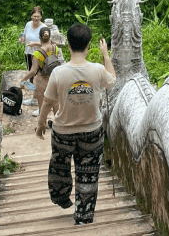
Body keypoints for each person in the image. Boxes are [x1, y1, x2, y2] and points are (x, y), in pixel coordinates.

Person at [36, 23, 115, 226]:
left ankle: (61, 196)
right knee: (88, 174)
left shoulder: (59, 73)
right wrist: (106, 55)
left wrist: (41, 124)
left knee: (59, 168)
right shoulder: (97, 70)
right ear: (89, 46)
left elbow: (47, 101)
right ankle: (84, 215)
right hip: (92, 132)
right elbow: (112, 80)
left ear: (67, 45)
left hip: (63, 132)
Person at [19, 26, 64, 116]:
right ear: (50, 37)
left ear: (39, 38)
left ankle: (43, 125)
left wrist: (22, 80)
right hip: (53, 78)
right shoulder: (55, 48)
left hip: (41, 81)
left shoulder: (37, 54)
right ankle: (56, 124)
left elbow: (33, 71)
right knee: (56, 105)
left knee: (42, 107)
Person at [19, 6, 44, 89]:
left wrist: (35, 43)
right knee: (30, 72)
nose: (36, 18)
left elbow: (47, 43)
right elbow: (23, 33)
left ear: (41, 17)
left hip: (39, 53)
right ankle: (32, 90)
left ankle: (36, 91)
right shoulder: (28, 24)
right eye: (34, 16)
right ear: (31, 16)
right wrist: (21, 38)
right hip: (28, 52)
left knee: (36, 73)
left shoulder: (43, 28)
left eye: (38, 16)